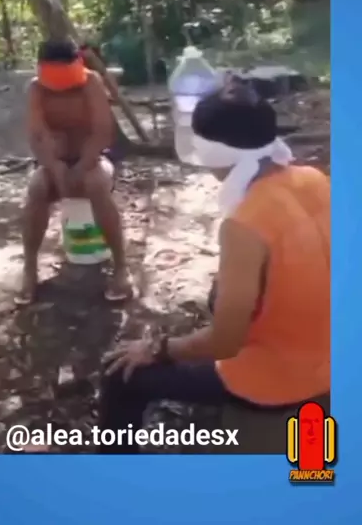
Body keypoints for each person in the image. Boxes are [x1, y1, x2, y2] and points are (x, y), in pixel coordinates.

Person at [98, 74, 330, 452]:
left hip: (282, 382)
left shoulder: (245, 225)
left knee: (120, 377)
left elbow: (226, 341)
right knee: (218, 293)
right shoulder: (313, 179)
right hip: (332, 356)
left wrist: (157, 348)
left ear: (212, 154)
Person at [17, 38, 132, 305]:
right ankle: (30, 268)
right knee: (37, 188)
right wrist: (55, 166)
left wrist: (81, 166)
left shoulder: (91, 82)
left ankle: (121, 267)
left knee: (95, 185)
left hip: (93, 161)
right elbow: (36, 137)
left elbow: (103, 132)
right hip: (53, 162)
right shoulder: (35, 89)